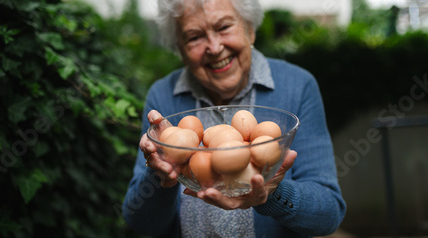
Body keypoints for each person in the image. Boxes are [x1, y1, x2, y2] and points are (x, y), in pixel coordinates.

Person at [122, 0, 346, 237]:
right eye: (194, 37)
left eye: (224, 27)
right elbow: (141, 223)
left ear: (250, 29)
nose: (215, 47)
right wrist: (161, 176)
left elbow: (328, 214)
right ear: (180, 49)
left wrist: (272, 193)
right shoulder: (163, 96)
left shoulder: (298, 86)